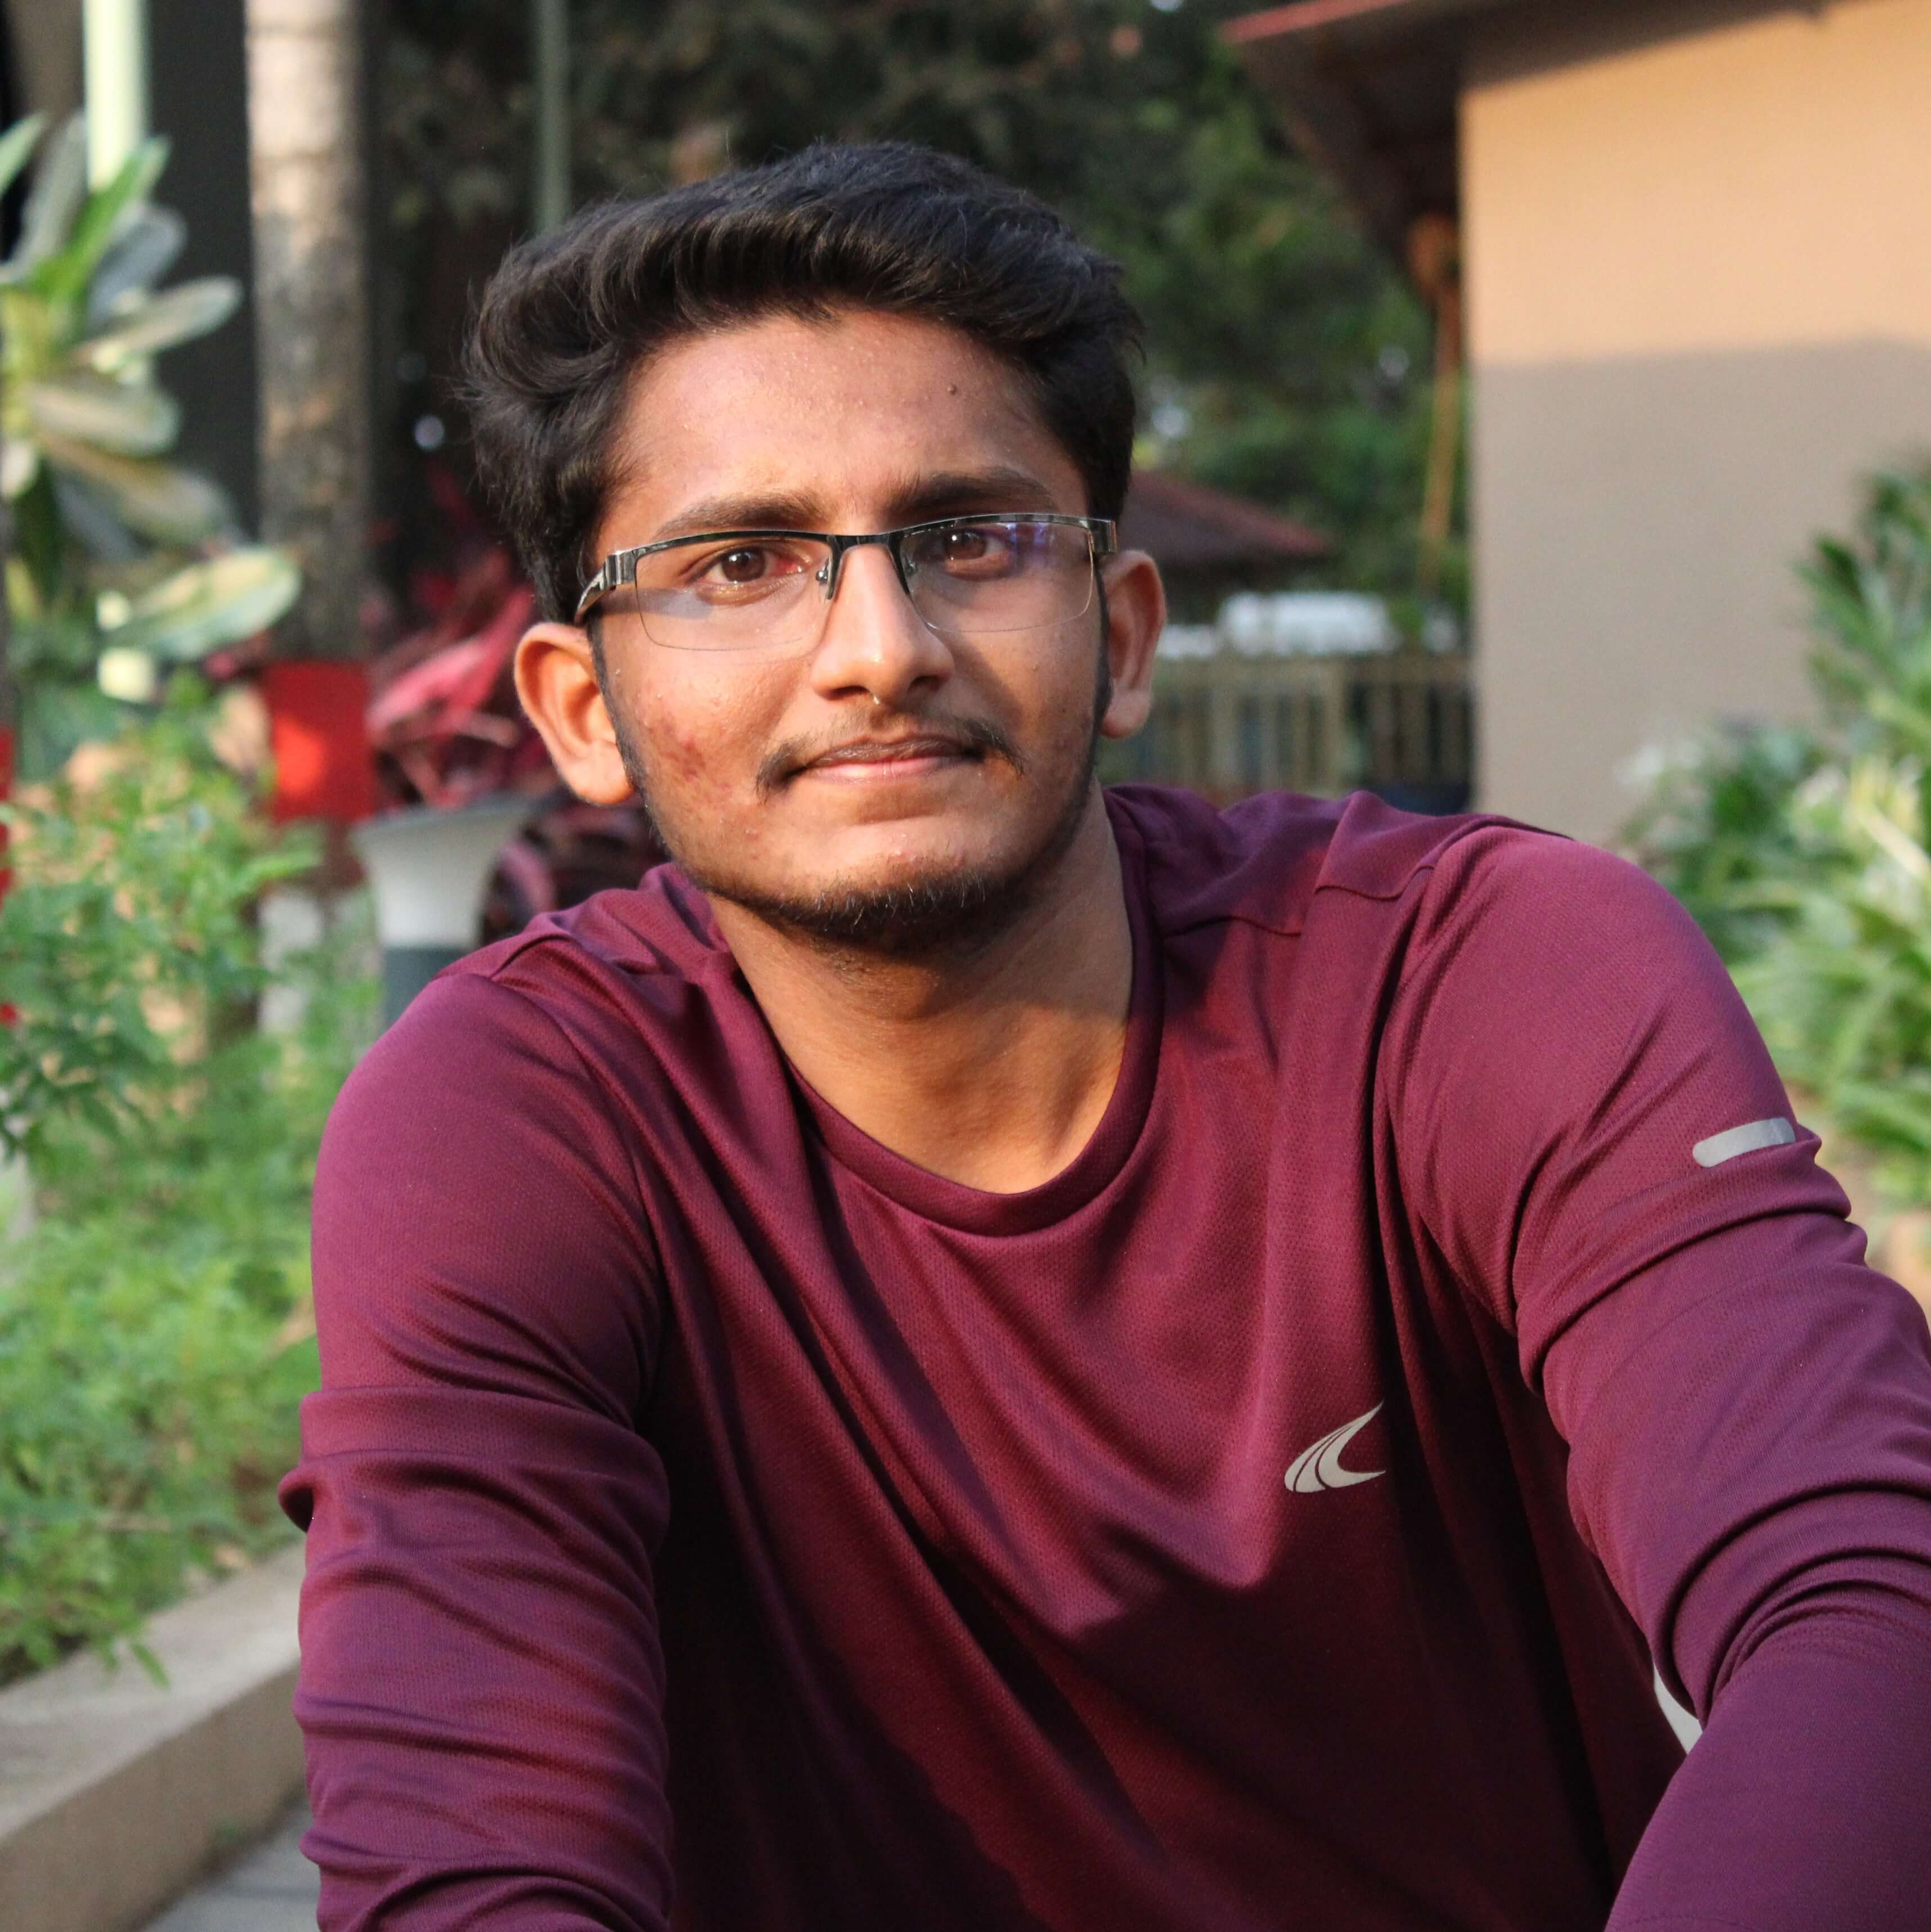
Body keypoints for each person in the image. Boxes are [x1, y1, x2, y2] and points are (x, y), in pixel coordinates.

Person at [281, 143, 1931, 1932]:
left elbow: (1867, 1602)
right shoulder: (525, 1116)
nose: (877, 647)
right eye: (739, 561)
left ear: (1121, 632)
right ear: (579, 708)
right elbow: (469, 1858)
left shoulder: (1477, 978)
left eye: (968, 538)